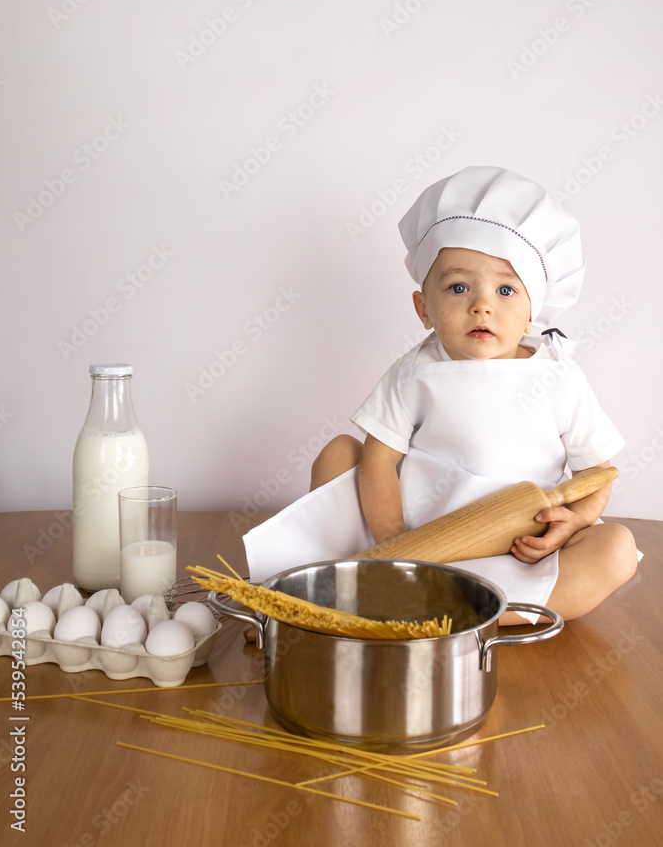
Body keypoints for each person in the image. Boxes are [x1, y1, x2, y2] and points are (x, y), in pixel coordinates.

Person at [243, 167, 639, 624]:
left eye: (506, 289)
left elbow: (598, 473)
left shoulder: (561, 379)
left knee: (617, 549)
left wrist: (575, 520)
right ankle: (357, 585)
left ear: (534, 312)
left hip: (511, 549)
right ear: (423, 308)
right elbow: (378, 461)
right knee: (339, 453)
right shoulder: (414, 372)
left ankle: (457, 611)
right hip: (413, 533)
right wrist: (394, 545)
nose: (481, 304)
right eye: (458, 287)